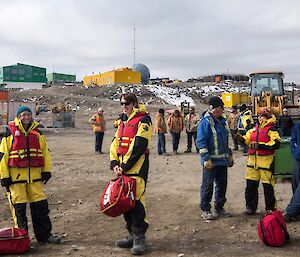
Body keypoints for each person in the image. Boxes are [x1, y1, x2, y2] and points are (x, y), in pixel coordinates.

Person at [0, 106, 61, 244]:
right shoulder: (9, 133)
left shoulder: (37, 133)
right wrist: (4, 176)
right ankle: (22, 239)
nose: (26, 117)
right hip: (16, 180)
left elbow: (45, 152)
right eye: (23, 114)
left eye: (28, 114)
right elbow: (2, 156)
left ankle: (44, 236)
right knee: (19, 211)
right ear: (18, 117)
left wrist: (46, 170)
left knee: (40, 208)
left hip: (35, 179)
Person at [110, 93, 152, 255]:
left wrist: (125, 166)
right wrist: (114, 163)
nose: (124, 106)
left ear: (134, 104)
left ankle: (139, 237)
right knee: (124, 202)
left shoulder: (144, 120)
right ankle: (131, 234)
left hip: (136, 168)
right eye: (122, 103)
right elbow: (115, 143)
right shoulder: (122, 121)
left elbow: (139, 145)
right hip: (123, 169)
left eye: (127, 103)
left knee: (136, 203)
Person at [197, 96, 233, 220]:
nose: (223, 110)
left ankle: (219, 208)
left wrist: (229, 155)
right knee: (207, 185)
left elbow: (225, 141)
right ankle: (206, 209)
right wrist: (206, 159)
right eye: (221, 107)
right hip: (211, 162)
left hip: (222, 161)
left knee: (222, 185)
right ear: (215, 109)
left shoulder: (222, 122)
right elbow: (201, 142)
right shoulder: (205, 122)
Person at [239, 107, 281, 215]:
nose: (259, 118)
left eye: (261, 116)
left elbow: (276, 143)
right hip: (252, 163)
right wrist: (240, 139)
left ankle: (270, 208)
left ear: (266, 117)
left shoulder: (272, 129)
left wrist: (261, 146)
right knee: (250, 186)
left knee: (268, 187)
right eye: (258, 116)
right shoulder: (253, 129)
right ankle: (250, 207)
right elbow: (247, 139)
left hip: (266, 163)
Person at [283, 121, 300, 221]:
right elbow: (293, 140)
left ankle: (290, 212)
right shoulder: (298, 125)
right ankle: (297, 212)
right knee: (295, 185)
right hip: (298, 159)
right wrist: (295, 152)